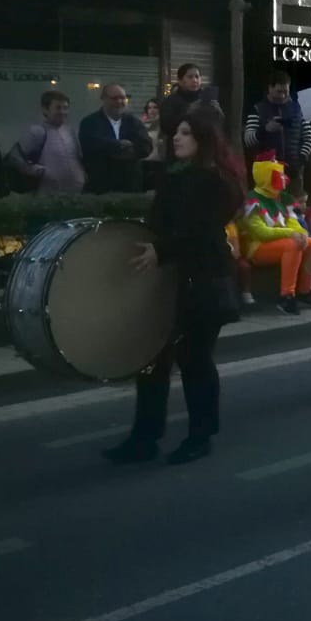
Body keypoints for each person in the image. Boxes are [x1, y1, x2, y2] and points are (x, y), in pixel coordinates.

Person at [103, 106, 244, 466]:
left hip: (204, 282)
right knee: (152, 361)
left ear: (204, 139)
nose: (176, 138)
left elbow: (201, 232)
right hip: (168, 281)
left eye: (185, 132)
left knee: (195, 361)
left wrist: (161, 249)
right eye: (175, 133)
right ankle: (144, 437)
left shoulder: (216, 181)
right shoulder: (173, 175)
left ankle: (201, 435)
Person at [237, 156, 311, 315]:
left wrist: (302, 233)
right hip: (257, 248)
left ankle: (305, 290)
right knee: (293, 244)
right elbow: (260, 232)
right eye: (279, 175)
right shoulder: (253, 200)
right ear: (266, 176)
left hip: (282, 242)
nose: (284, 179)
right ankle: (287, 296)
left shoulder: (283, 198)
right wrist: (291, 234)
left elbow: (293, 222)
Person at [78, 84, 152, 195]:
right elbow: (91, 146)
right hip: (101, 187)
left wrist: (113, 151)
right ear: (103, 99)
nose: (119, 102)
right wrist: (119, 145)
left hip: (130, 186)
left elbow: (146, 147)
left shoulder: (134, 122)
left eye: (122, 98)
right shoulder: (90, 122)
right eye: (114, 98)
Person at [8, 90, 86, 195]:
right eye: (58, 108)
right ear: (45, 110)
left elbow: (76, 157)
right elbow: (15, 158)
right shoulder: (36, 131)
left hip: (76, 192)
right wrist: (38, 171)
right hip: (48, 195)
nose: (63, 112)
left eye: (65, 108)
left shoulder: (70, 131)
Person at [243, 71, 311, 169]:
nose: (283, 96)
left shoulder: (298, 109)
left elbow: (308, 138)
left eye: (286, 91)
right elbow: (247, 140)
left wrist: (301, 159)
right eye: (279, 91)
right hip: (266, 171)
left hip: (293, 170)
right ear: (270, 88)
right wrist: (265, 130)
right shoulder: (257, 109)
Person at [158, 63, 221, 161]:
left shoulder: (206, 99)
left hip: (204, 155)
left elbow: (216, 127)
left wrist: (217, 111)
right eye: (190, 77)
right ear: (180, 80)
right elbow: (166, 127)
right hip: (178, 155)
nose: (194, 80)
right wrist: (189, 111)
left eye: (197, 76)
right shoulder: (170, 102)